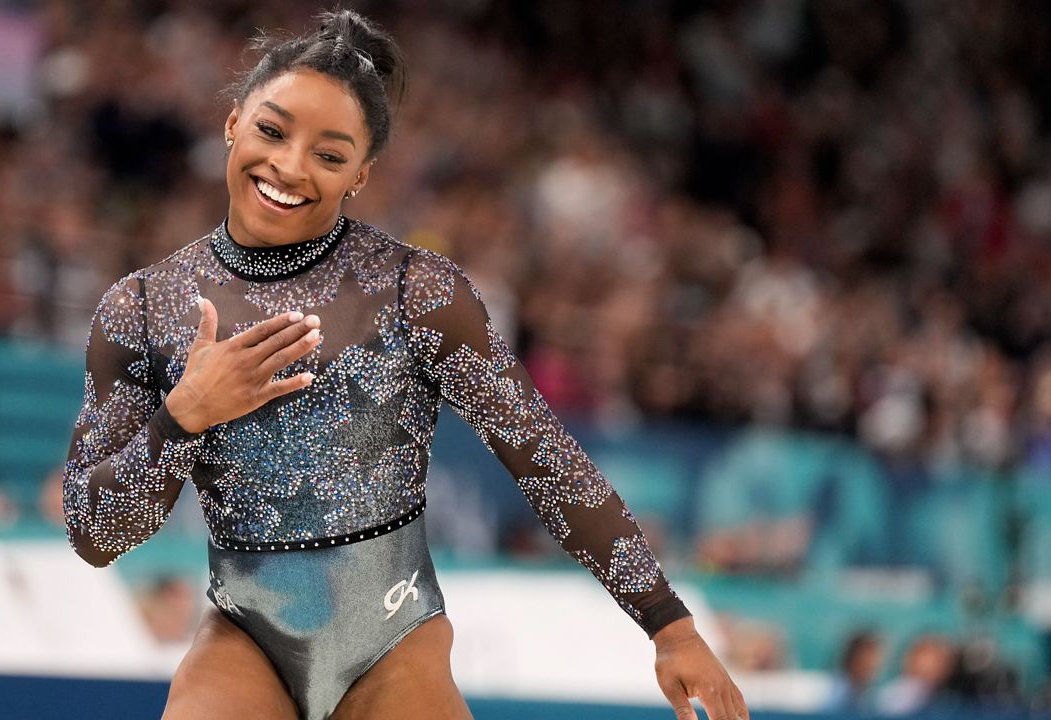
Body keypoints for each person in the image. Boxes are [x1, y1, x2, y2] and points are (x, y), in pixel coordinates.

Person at [61, 9, 749, 720]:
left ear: (361, 174)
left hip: (394, 642)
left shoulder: (416, 293)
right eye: (272, 130)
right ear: (233, 123)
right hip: (242, 639)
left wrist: (670, 624)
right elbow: (94, 536)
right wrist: (182, 420)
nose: (290, 167)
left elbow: (546, 461)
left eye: (329, 155)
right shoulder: (141, 308)